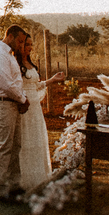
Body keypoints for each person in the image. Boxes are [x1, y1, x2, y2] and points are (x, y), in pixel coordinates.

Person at [0, 24, 30, 202]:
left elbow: (16, 82)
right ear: (9, 36)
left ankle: (14, 184)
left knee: (15, 145)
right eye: (19, 41)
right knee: (4, 146)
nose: (21, 45)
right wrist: (22, 99)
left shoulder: (9, 55)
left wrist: (21, 98)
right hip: (3, 103)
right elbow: (5, 84)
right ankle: (0, 188)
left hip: (13, 102)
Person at [17, 34, 65, 190]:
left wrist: (52, 80)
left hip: (35, 106)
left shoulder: (30, 64)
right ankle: (23, 178)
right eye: (27, 44)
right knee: (25, 139)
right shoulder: (16, 64)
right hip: (23, 104)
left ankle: (38, 176)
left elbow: (36, 86)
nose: (30, 48)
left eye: (31, 44)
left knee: (36, 138)